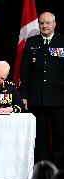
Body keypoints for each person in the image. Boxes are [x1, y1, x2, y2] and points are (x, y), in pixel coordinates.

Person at [19, 12, 64, 169]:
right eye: (41, 23)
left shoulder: (62, 42)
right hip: (37, 99)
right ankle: (40, 168)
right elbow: (24, 72)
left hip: (59, 99)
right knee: (39, 137)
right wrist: (23, 96)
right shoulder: (32, 42)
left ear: (54, 24)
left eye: (47, 23)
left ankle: (56, 168)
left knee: (59, 136)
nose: (44, 26)